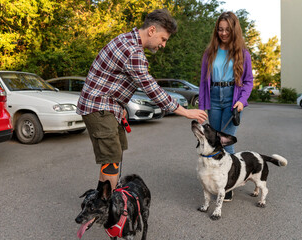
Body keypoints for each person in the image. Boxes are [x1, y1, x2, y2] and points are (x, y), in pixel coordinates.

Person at [77, 9, 208, 192]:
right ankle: (108, 210)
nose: (163, 45)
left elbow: (113, 81)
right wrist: (185, 111)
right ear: (152, 30)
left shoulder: (127, 40)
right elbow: (151, 88)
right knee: (112, 161)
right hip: (99, 107)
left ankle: (101, 200)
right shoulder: (133, 51)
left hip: (108, 106)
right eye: (163, 39)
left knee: (113, 158)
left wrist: (120, 105)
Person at [198, 11, 253, 201]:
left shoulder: (243, 54)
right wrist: (204, 105)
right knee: (213, 141)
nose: (223, 33)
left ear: (234, 30)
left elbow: (248, 81)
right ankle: (215, 178)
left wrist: (242, 101)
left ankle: (228, 185)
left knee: (226, 140)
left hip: (232, 97)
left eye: (227, 30)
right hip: (214, 97)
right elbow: (203, 81)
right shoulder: (209, 53)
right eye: (220, 29)